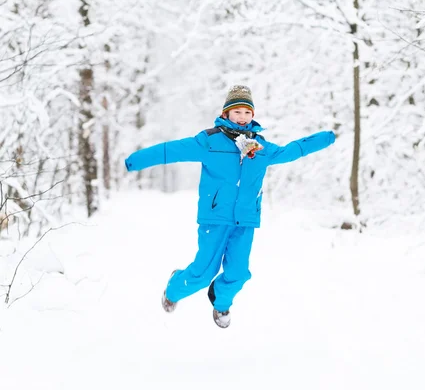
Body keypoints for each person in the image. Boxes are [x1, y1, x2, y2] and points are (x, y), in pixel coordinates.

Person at [124, 85, 335, 328]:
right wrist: (135, 161)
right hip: (215, 218)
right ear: (226, 113)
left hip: (245, 221)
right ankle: (173, 290)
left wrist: (328, 137)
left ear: (252, 116)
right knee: (202, 273)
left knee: (238, 273)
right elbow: (170, 151)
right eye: (237, 112)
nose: (242, 117)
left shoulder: (261, 147)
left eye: (247, 112)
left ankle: (221, 303)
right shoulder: (210, 141)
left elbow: (292, 151)